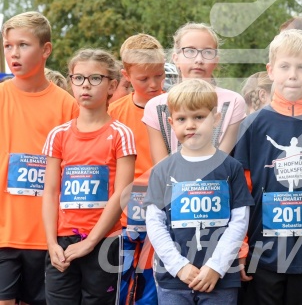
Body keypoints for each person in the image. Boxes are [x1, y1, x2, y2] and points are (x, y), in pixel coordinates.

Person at [233, 29, 302, 305]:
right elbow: (240, 192)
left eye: (301, 67)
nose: (292, 74)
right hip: (263, 253)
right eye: (284, 66)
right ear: (270, 71)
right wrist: (242, 247)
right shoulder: (252, 125)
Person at [144, 79, 253, 304]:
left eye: (199, 117)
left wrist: (216, 266)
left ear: (216, 119)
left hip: (219, 279)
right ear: (171, 123)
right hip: (174, 279)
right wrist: (179, 266)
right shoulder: (162, 170)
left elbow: (239, 221)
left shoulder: (231, 167)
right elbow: (155, 222)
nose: (191, 125)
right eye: (182, 119)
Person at [42, 48, 136, 304]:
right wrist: (51, 243)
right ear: (70, 81)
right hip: (62, 243)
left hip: (104, 241)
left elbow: (122, 193)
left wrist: (91, 241)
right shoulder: (58, 135)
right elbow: (50, 191)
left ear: (111, 86)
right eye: (78, 78)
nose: (86, 85)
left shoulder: (120, 134)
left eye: (95, 78)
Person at [0, 11, 78, 305]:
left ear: (46, 50)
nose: (13, 53)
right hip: (4, 231)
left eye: (23, 45)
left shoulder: (67, 106)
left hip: (49, 237)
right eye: (8, 46)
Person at [109, 34, 166, 305]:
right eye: (144, 79)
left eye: (159, 75)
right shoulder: (113, 111)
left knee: (151, 289)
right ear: (126, 75)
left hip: (163, 212)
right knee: (119, 287)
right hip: (122, 216)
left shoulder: (177, 105)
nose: (154, 84)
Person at [143, 23, 246, 164]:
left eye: (208, 52)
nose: (199, 60)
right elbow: (161, 166)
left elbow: (221, 161)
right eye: (190, 51)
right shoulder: (155, 106)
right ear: (176, 58)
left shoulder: (234, 102)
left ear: (216, 60)